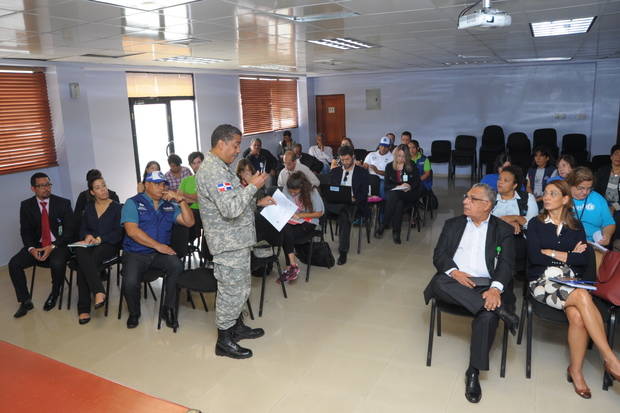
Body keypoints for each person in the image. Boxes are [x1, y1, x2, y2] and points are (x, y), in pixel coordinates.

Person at [423, 183, 518, 404]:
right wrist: (454, 272)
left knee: (487, 315)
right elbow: (439, 256)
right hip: (454, 282)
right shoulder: (453, 224)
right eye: (466, 197)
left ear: (487, 205)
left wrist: (495, 289)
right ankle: (499, 309)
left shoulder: (502, 230)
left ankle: (473, 372)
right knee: (438, 283)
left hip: (487, 285)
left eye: (472, 198)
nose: (465, 201)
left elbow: (506, 265)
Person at [526, 179, 620, 398]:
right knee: (582, 297)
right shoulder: (535, 223)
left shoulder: (577, 227)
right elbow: (533, 256)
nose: (546, 197)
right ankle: (610, 358)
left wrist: (552, 252)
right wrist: (569, 256)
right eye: (546, 193)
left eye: (553, 194)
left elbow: (583, 260)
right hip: (542, 281)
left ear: (565, 199)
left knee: (578, 317)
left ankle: (576, 371)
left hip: (571, 281)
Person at [196, 124, 275, 359]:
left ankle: (236, 327)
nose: (238, 150)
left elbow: (234, 200)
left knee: (240, 289)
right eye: (235, 145)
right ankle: (224, 340)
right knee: (230, 290)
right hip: (227, 243)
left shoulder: (223, 167)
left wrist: (257, 202)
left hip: (237, 240)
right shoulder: (212, 171)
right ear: (221, 143)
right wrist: (253, 187)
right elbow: (230, 209)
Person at [120, 170, 195, 329]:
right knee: (130, 282)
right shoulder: (132, 203)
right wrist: (158, 245)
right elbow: (132, 231)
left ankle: (168, 308)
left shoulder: (169, 205)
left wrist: (181, 201)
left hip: (158, 254)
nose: (161, 187)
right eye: (157, 184)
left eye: (163, 184)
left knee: (176, 266)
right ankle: (134, 313)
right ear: (146, 184)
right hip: (136, 252)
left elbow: (189, 223)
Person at [9, 172, 73, 318]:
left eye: (48, 184)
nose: (47, 188)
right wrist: (31, 249)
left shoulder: (63, 203)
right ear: (33, 189)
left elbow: (70, 232)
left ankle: (55, 294)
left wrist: (53, 246)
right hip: (37, 245)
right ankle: (25, 300)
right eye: (42, 186)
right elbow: (25, 231)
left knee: (57, 263)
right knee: (14, 264)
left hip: (58, 245)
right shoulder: (26, 206)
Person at [73, 176, 122, 325]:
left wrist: (100, 239)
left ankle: (83, 309)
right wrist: (87, 235)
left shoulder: (117, 207)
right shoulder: (89, 207)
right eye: (98, 187)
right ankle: (99, 290)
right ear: (92, 192)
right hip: (90, 244)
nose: (103, 189)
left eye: (104, 186)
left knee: (84, 265)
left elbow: (119, 232)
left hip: (108, 245)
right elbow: (84, 228)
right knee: (81, 252)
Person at [325, 145, 369, 265]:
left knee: (344, 216)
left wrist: (354, 198)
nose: (345, 162)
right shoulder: (335, 172)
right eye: (342, 160)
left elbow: (364, 194)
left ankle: (343, 252)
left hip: (354, 204)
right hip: (337, 203)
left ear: (353, 157)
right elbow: (330, 190)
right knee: (321, 207)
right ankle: (315, 246)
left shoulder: (362, 173)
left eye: (347, 160)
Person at [492, 166, 538, 273]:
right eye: (499, 179)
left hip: (518, 241)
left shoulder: (527, 198)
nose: (500, 182)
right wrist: (509, 223)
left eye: (506, 180)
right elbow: (484, 220)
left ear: (515, 185)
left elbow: (533, 224)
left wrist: (515, 218)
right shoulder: (490, 197)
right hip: (494, 238)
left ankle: (505, 275)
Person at [280, 172, 324, 282]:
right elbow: (283, 204)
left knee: (285, 233)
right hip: (291, 220)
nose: (292, 194)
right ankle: (292, 265)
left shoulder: (312, 192)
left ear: (302, 187)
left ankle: (290, 266)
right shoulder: (287, 188)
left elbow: (319, 213)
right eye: (290, 192)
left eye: (295, 192)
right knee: (284, 230)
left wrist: (300, 215)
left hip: (308, 221)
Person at [376, 144, 421, 244]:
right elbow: (386, 185)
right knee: (398, 202)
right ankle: (396, 233)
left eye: (404, 156)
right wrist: (396, 187)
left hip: (409, 193)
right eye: (399, 156)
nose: (401, 159)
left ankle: (384, 224)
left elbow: (417, 182)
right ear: (395, 155)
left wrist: (409, 186)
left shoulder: (412, 165)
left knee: (396, 196)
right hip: (395, 194)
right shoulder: (389, 167)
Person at [567, 167, 615, 246]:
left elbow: (609, 223)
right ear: (570, 185)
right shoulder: (562, 198)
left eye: (589, 188)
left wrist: (607, 236)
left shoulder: (598, 198)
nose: (585, 192)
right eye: (581, 188)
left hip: (594, 243)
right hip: (569, 241)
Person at [178, 151, 210, 258]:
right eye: (194, 163)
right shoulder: (186, 180)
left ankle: (204, 253)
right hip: (190, 213)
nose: (196, 165)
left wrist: (187, 196)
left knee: (194, 215)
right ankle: (183, 249)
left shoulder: (208, 179)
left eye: (199, 162)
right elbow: (179, 197)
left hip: (206, 213)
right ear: (191, 165)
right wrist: (193, 198)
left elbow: (201, 197)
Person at [594, 145, 620, 248]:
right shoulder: (602, 171)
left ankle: (613, 245)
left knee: (616, 217)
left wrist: (614, 207)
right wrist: (604, 205)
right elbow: (596, 190)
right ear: (611, 156)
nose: (618, 157)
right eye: (616, 154)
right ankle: (598, 242)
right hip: (602, 202)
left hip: (618, 205)